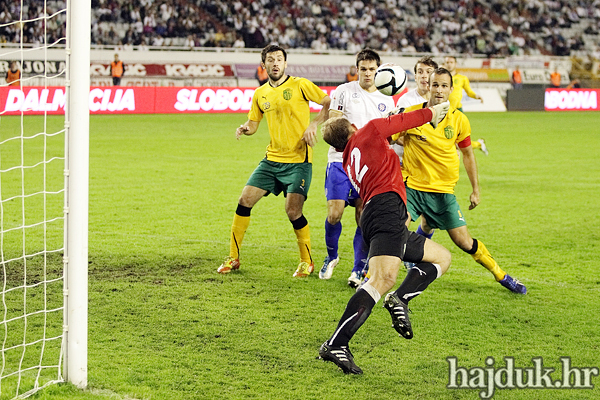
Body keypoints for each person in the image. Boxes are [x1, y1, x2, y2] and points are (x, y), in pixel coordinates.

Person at [318, 101, 452, 374]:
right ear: (354, 126)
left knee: (441, 258)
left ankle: (400, 299)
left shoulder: (348, 158)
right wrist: (434, 112)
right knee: (382, 279)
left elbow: (387, 137)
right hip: (386, 210)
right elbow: (405, 122)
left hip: (379, 213)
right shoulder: (370, 130)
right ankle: (336, 343)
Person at [398, 68, 527, 295]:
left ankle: (502, 275)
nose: (439, 90)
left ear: (451, 89)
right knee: (396, 231)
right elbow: (388, 136)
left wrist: (476, 189)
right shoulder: (410, 114)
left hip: (443, 193)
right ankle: (371, 277)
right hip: (412, 188)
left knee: (465, 242)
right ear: (428, 85)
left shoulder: (459, 120)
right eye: (435, 84)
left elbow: (468, 154)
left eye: (443, 86)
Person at [218, 44, 331, 278]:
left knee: (292, 211)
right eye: (271, 60)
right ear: (264, 65)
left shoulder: (300, 84)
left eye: (279, 59)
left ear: (286, 63)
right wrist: (244, 128)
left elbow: (327, 102)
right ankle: (233, 257)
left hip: (299, 160)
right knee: (244, 200)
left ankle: (306, 261)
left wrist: (313, 124)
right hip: (271, 161)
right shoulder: (260, 94)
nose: (276, 63)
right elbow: (253, 124)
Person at [320, 49, 395, 287]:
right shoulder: (344, 91)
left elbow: (389, 134)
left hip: (368, 165)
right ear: (357, 69)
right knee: (334, 213)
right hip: (340, 160)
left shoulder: (386, 98)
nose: (367, 73)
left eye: (372, 69)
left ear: (378, 71)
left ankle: (357, 268)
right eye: (363, 69)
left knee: (363, 216)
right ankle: (331, 257)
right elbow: (334, 123)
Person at [444, 56, 487, 155]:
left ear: (455, 64)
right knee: (448, 139)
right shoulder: (442, 78)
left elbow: (469, 92)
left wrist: (476, 96)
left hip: (457, 111)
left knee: (459, 140)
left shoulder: (462, 78)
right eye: (447, 62)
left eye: (451, 62)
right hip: (444, 111)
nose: (449, 64)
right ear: (444, 64)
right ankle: (478, 144)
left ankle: (478, 144)